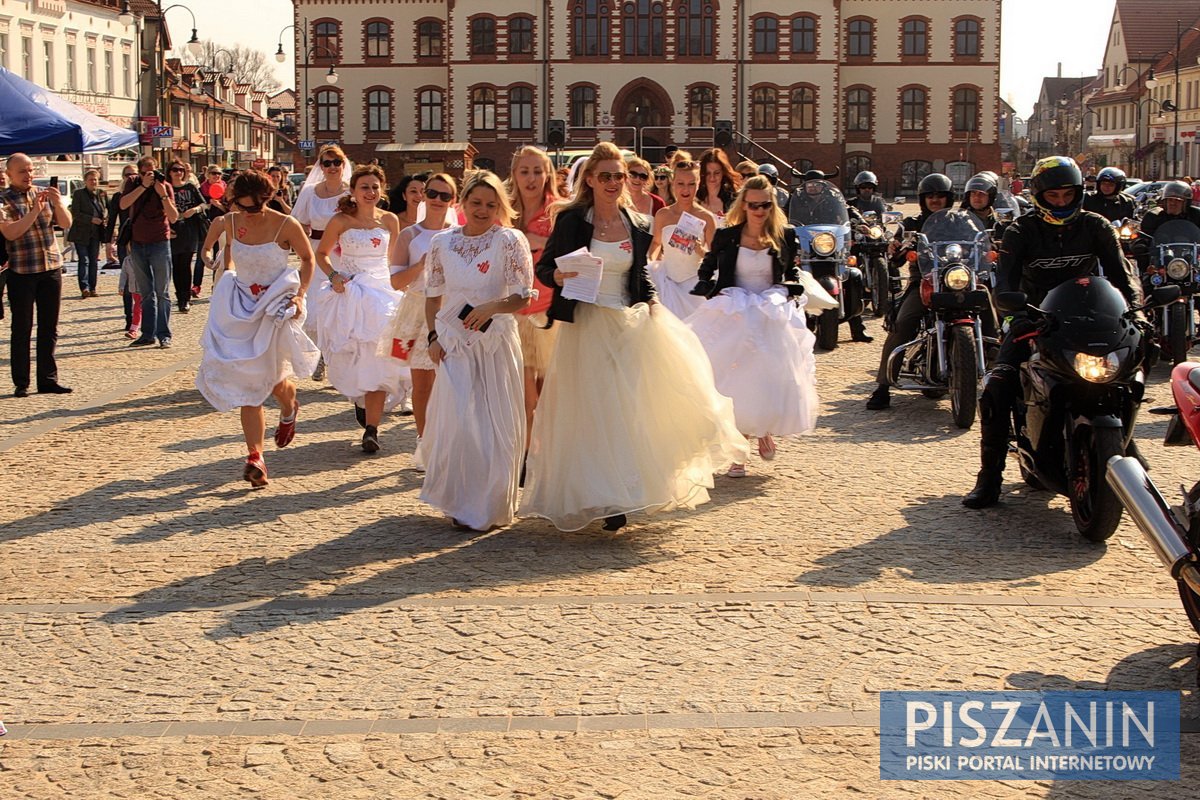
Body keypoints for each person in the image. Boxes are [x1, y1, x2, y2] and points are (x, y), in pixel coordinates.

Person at [519, 142, 748, 532]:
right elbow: (546, 269)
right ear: (590, 179)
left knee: (631, 406)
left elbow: (639, 274)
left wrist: (655, 306)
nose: (612, 182)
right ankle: (599, 494)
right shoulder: (573, 219)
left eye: (618, 176)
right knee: (594, 410)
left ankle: (624, 490)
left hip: (628, 319)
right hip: (586, 323)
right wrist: (555, 277)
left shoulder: (636, 222)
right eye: (604, 175)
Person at [963, 156, 1143, 508]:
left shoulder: (1097, 226)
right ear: (1040, 196)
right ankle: (989, 479)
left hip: (1091, 317)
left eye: (1067, 195)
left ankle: (1127, 448)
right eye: (1053, 196)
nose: (1061, 202)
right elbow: (1005, 282)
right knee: (997, 387)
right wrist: (1011, 310)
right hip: (1034, 318)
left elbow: (1123, 275)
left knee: (1129, 373)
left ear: (1079, 193)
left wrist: (1136, 309)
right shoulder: (1021, 230)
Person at [419, 172, 535, 530]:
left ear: (500, 206)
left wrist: (492, 308)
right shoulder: (442, 242)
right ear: (463, 203)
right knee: (457, 421)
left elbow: (522, 294)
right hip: (454, 342)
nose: (483, 210)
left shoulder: (509, 241)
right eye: (476, 202)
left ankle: (488, 503)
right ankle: (458, 498)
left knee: (491, 423)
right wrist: (433, 338)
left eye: (490, 204)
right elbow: (432, 295)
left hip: (494, 342)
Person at [687, 175, 818, 477]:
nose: (759, 211)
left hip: (770, 312)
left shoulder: (784, 234)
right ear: (743, 206)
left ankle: (763, 432)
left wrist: (793, 288)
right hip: (736, 311)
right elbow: (709, 267)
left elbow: (792, 268)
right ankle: (739, 452)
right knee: (734, 380)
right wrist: (708, 288)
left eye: (765, 205)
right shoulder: (727, 236)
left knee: (771, 378)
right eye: (753, 205)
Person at [196, 170, 319, 488]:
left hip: (276, 302)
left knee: (276, 380)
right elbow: (217, 254)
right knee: (251, 384)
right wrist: (220, 269)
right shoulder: (230, 222)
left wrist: (300, 294)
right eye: (239, 205)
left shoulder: (285, 224)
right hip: (241, 304)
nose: (244, 212)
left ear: (264, 198)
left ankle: (290, 407)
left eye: (251, 207)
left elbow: (307, 259)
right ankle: (255, 457)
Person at [313, 164, 406, 453]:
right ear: (353, 191)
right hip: (351, 293)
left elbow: (393, 261)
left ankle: (372, 429)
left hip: (382, 294)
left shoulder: (390, 221)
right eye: (364, 187)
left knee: (380, 357)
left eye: (375, 187)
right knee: (355, 354)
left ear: (383, 190)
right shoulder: (341, 221)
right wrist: (333, 276)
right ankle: (359, 399)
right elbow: (322, 254)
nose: (370, 192)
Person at [865, 173, 956, 410]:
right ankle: (883, 386)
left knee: (987, 308)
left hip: (958, 280)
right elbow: (895, 259)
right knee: (903, 322)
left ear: (949, 198)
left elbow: (979, 239)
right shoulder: (912, 224)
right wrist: (896, 249)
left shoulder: (959, 222)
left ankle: (998, 370)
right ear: (923, 198)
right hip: (924, 282)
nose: (935, 200)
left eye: (940, 195)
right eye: (930, 196)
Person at [389, 172, 459, 465]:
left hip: (451, 310)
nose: (438, 201)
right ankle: (424, 442)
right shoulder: (410, 235)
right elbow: (395, 281)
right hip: (417, 308)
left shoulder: (458, 233)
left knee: (454, 381)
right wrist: (420, 265)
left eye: (445, 196)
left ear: (453, 200)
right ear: (423, 196)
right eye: (433, 194)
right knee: (422, 383)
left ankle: (450, 442)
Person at [505, 147, 562, 464]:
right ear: (514, 175)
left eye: (538, 171)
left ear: (548, 174)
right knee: (525, 395)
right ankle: (527, 455)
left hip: (549, 315)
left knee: (547, 395)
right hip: (513, 314)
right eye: (524, 171)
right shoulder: (505, 210)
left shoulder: (559, 211)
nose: (531, 178)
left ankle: (544, 452)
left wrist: (534, 240)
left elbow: (569, 253)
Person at [0, 153, 73, 396]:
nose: (28, 175)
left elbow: (65, 224)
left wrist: (59, 203)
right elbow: (10, 233)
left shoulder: (42, 193)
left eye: (30, 170)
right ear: (9, 174)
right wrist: (33, 211)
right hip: (22, 270)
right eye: (22, 171)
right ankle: (22, 382)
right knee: (22, 327)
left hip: (50, 267)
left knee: (49, 327)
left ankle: (48, 379)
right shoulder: (4, 200)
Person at [292, 145, 351, 380]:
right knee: (317, 306)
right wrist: (303, 248)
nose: (332, 167)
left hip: (343, 252)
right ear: (321, 166)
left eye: (336, 162)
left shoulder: (350, 192)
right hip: (318, 253)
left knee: (341, 306)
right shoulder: (310, 193)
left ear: (343, 164)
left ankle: (337, 358)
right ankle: (321, 356)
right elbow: (300, 223)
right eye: (327, 163)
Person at [120, 156, 179, 348]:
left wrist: (162, 194)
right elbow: (123, 204)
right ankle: (147, 334)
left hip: (160, 242)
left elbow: (174, 217)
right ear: (139, 172)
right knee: (145, 292)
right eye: (146, 171)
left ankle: (164, 334)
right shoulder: (133, 183)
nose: (151, 174)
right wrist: (143, 186)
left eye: (153, 170)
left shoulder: (164, 185)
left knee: (162, 292)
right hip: (138, 242)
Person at [648, 158, 717, 319]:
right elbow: (656, 243)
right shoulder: (663, 215)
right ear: (673, 184)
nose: (685, 189)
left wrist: (700, 249)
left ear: (698, 184)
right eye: (680, 183)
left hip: (693, 285)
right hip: (667, 283)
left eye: (691, 184)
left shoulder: (706, 218)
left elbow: (715, 258)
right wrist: (651, 264)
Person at [167, 161, 208, 314]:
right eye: (175, 170)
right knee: (176, 266)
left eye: (181, 170)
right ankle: (180, 297)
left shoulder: (190, 187)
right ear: (169, 172)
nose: (178, 172)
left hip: (189, 229)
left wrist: (194, 210)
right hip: (173, 230)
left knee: (185, 264)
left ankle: (186, 299)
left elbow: (204, 205)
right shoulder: (166, 188)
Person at [66, 169, 107, 298]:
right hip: (81, 233)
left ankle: (93, 287)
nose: (93, 182)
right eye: (91, 179)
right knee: (84, 260)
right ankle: (84, 287)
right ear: (85, 181)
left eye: (95, 179)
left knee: (93, 261)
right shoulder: (79, 194)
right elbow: (76, 213)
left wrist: (106, 219)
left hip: (95, 233)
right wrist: (91, 219)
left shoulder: (101, 194)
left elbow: (108, 207)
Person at [696, 148, 741, 224]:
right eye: (708, 173)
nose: (712, 177)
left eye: (716, 173)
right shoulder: (694, 198)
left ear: (723, 173)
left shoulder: (734, 200)